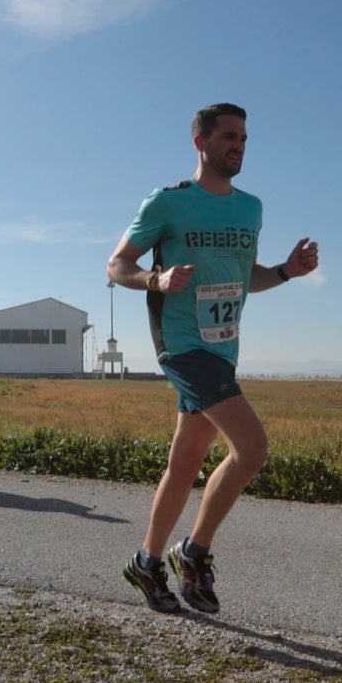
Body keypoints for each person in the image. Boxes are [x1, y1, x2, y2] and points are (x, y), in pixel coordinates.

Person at [107, 102, 319, 615]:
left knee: (185, 464)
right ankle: (194, 552)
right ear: (200, 143)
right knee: (252, 449)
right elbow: (117, 265)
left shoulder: (251, 209)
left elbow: (247, 279)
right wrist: (153, 280)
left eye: (244, 137)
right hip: (182, 344)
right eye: (228, 136)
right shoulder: (168, 203)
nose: (239, 145)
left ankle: (146, 561)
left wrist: (286, 271)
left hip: (223, 348)